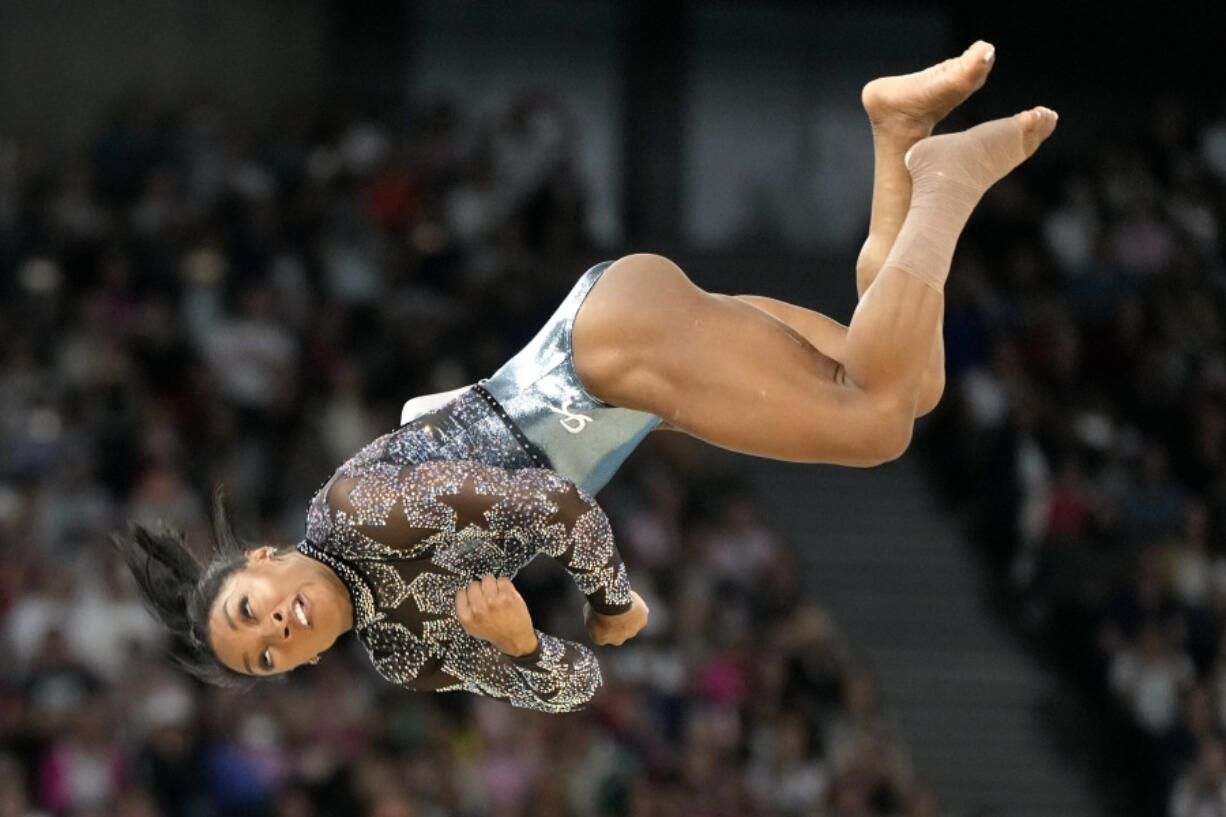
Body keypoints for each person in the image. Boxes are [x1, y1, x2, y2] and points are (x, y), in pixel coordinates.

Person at [113, 42, 1057, 712]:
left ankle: (944, 184)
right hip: (625, 385)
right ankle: (899, 134)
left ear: (265, 559)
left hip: (605, 356)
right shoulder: (403, 652)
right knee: (896, 377)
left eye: (251, 610)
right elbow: (574, 684)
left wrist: (614, 603)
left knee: (878, 424)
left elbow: (554, 507)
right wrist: (526, 645)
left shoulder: (360, 514)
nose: (279, 627)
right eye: (269, 654)